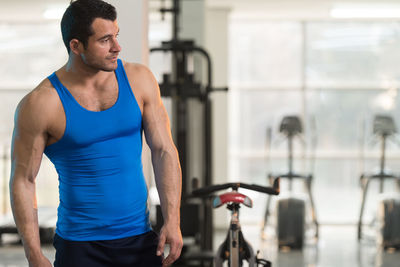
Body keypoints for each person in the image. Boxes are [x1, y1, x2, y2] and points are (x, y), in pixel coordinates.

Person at [9, 0, 183, 266]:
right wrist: (33, 252)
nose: (117, 47)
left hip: (139, 238)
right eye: (105, 40)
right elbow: (23, 180)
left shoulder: (139, 80)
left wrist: (173, 219)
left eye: (116, 35)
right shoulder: (41, 104)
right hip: (79, 246)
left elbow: (164, 150)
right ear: (76, 46)